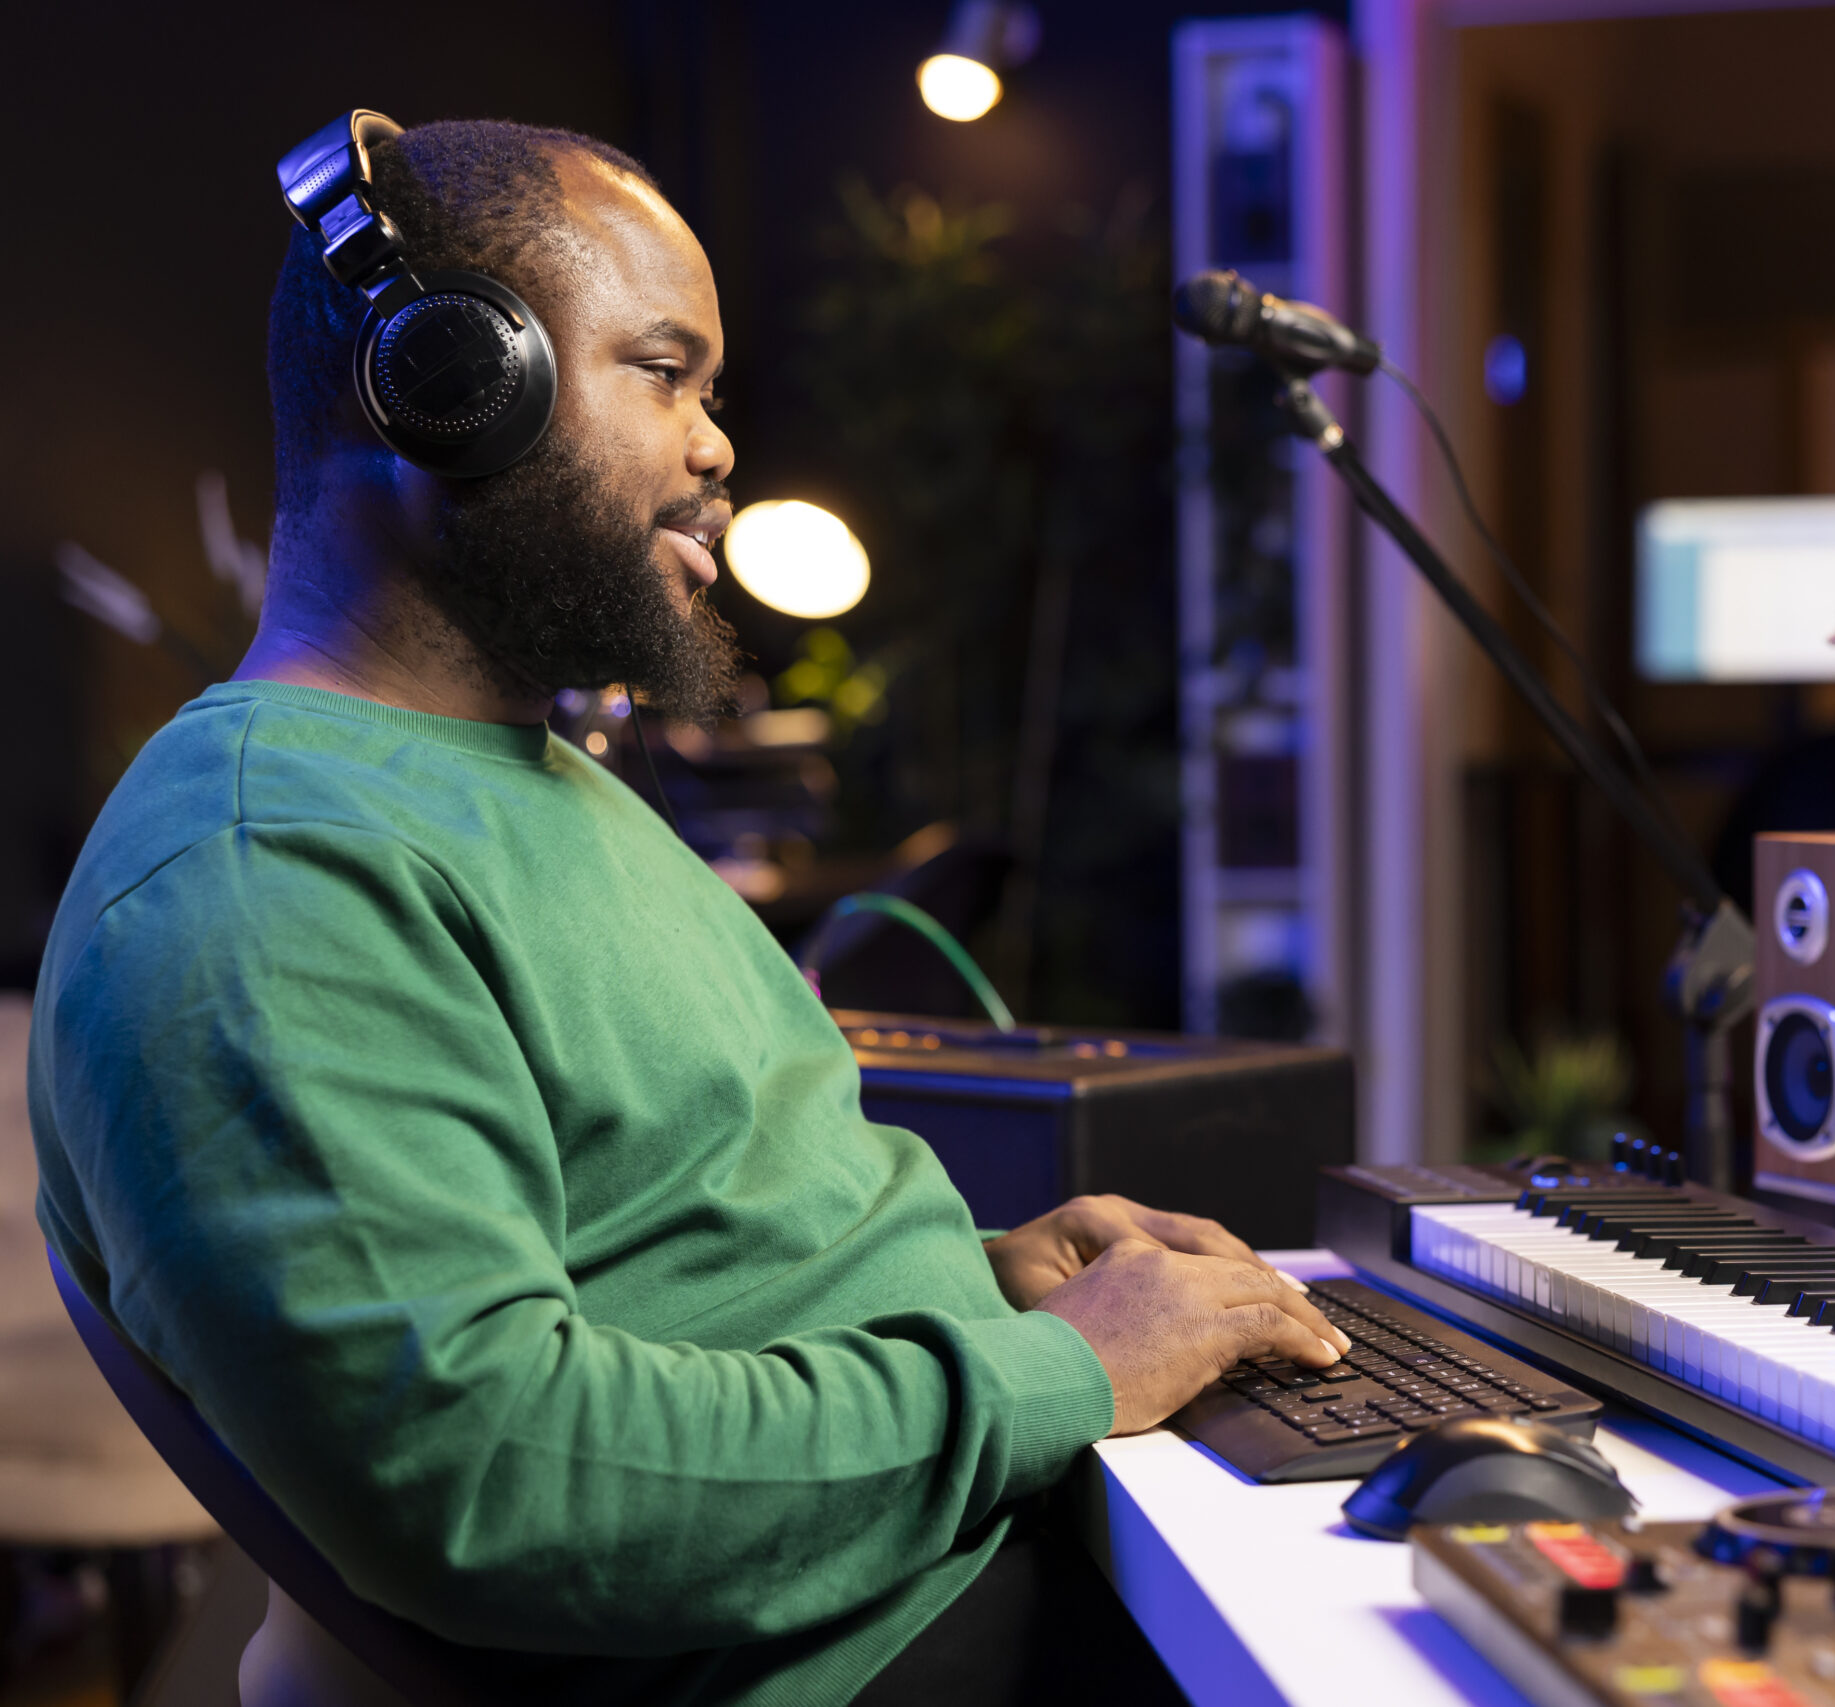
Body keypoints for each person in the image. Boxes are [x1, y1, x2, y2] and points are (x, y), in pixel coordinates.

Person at [28, 116, 1348, 1704]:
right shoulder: (263, 872)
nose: (719, 445)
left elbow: (678, 1248)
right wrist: (1059, 1372)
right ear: (445, 380)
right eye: (665, 372)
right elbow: (501, 1480)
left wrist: (985, 1284)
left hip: (947, 1568)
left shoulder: (533, 783)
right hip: (865, 1659)